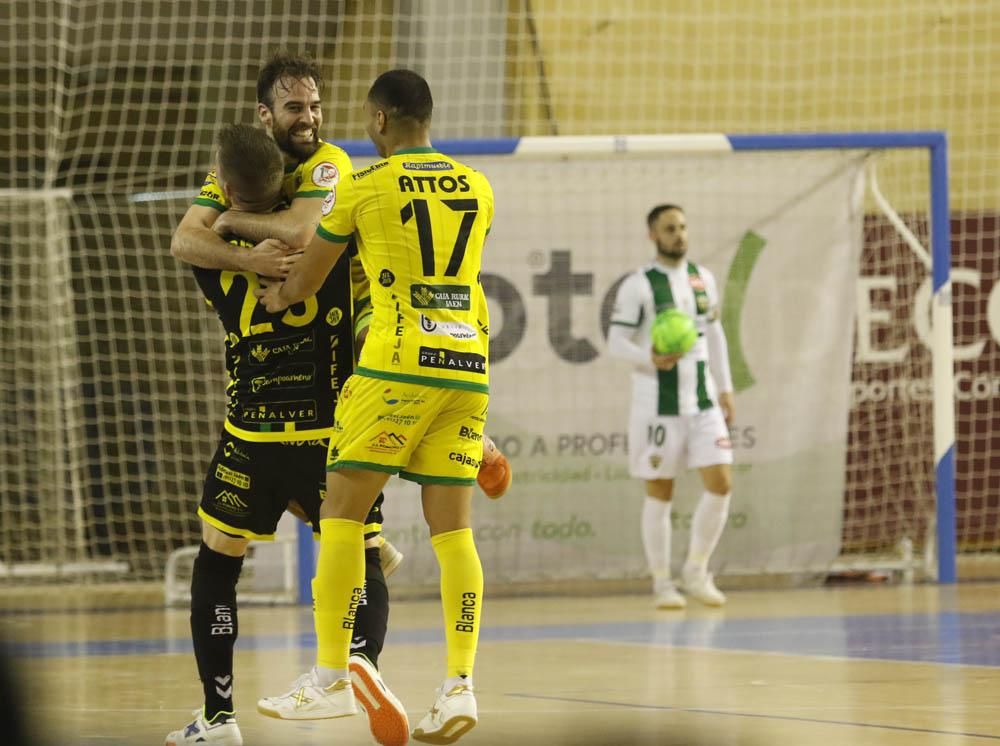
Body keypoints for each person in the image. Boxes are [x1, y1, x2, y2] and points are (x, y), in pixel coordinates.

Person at [255, 69, 493, 745]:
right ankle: (458, 687)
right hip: (467, 366)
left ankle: (332, 674)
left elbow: (305, 278)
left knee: (340, 515)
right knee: (454, 535)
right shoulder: (478, 186)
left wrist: (277, 297)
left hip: (394, 363)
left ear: (381, 121)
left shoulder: (364, 186)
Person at [165, 120, 407, 745]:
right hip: (332, 431)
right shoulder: (328, 245)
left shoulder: (212, 261)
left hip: (254, 432)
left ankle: (218, 718)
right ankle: (361, 663)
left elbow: (193, 237)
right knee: (361, 544)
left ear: (227, 189)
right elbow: (315, 228)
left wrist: (232, 234)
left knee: (217, 560)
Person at [607, 204, 735, 610]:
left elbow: (715, 336)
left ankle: (697, 571)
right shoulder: (639, 285)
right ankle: (662, 582)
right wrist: (649, 357)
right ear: (653, 236)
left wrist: (726, 388)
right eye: (669, 229)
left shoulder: (703, 279)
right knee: (661, 492)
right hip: (656, 405)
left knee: (721, 483)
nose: (678, 235)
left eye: (682, 227)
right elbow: (615, 342)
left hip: (702, 400)